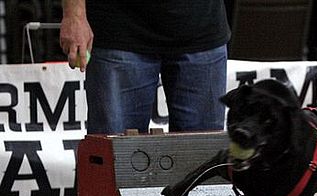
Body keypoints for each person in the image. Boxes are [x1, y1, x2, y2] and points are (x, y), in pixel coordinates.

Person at [60, 0, 231, 134]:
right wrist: (74, 15)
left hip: (202, 26)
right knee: (115, 164)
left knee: (204, 162)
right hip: (119, 27)